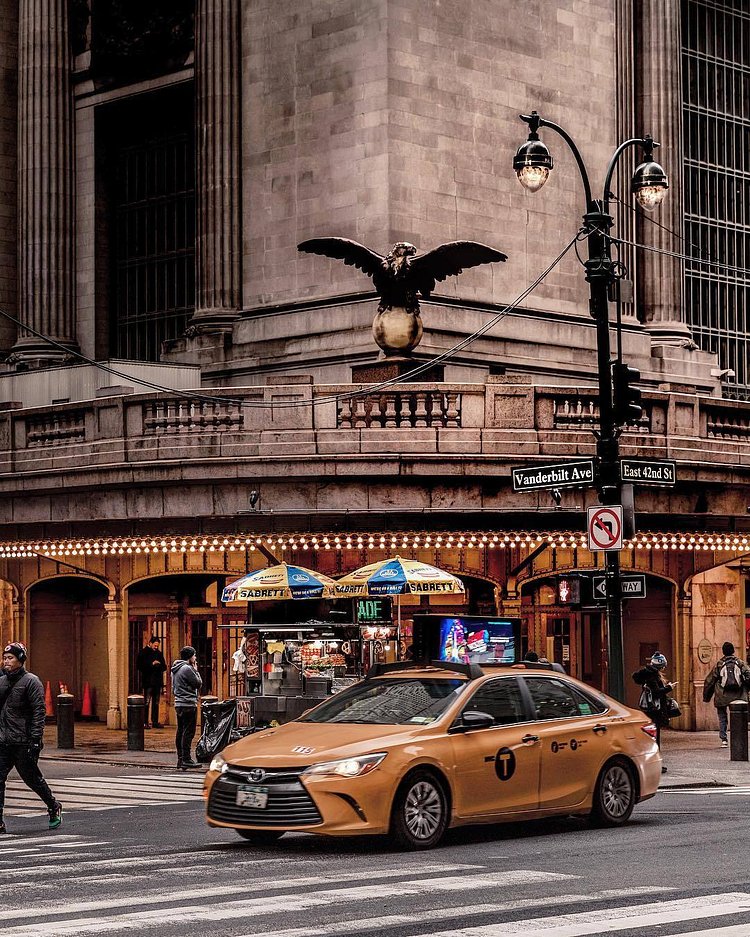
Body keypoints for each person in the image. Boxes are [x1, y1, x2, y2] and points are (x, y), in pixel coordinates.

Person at [0, 642, 62, 833]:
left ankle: (53, 805)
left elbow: (38, 712)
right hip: (3, 741)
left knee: (32, 779)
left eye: (10, 658)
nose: (6, 661)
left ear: (20, 659)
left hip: (23, 741)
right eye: (5, 658)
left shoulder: (31, 682)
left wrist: (35, 739)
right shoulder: (1, 682)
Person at [702, 641, 750, 748]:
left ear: (723, 651)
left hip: (722, 695)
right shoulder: (740, 663)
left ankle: (724, 739)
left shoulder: (719, 664)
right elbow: (748, 675)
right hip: (739, 695)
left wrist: (706, 697)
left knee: (722, 717)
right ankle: (737, 738)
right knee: (738, 717)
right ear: (733, 651)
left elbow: (709, 681)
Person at [632, 652, 675, 769]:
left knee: (650, 737)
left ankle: (652, 763)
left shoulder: (647, 674)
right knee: (654, 738)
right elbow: (657, 693)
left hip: (649, 710)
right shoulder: (652, 676)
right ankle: (654, 765)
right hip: (654, 710)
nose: (664, 668)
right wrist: (669, 688)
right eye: (663, 666)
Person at [171, 646, 202, 770]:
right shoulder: (187, 668)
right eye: (194, 655)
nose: (195, 658)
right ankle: (186, 759)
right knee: (188, 732)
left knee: (181, 730)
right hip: (188, 703)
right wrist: (196, 670)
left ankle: (180, 759)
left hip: (179, 703)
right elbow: (198, 683)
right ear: (190, 656)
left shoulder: (176, 668)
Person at [136, 636, 167, 728]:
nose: (156, 647)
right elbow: (139, 666)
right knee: (146, 702)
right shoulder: (143, 653)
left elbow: (164, 666)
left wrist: (158, 664)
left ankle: (155, 721)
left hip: (157, 681)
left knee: (156, 702)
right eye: (155, 645)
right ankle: (145, 722)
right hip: (148, 681)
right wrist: (151, 664)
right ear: (150, 643)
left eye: (157, 646)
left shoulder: (159, 653)